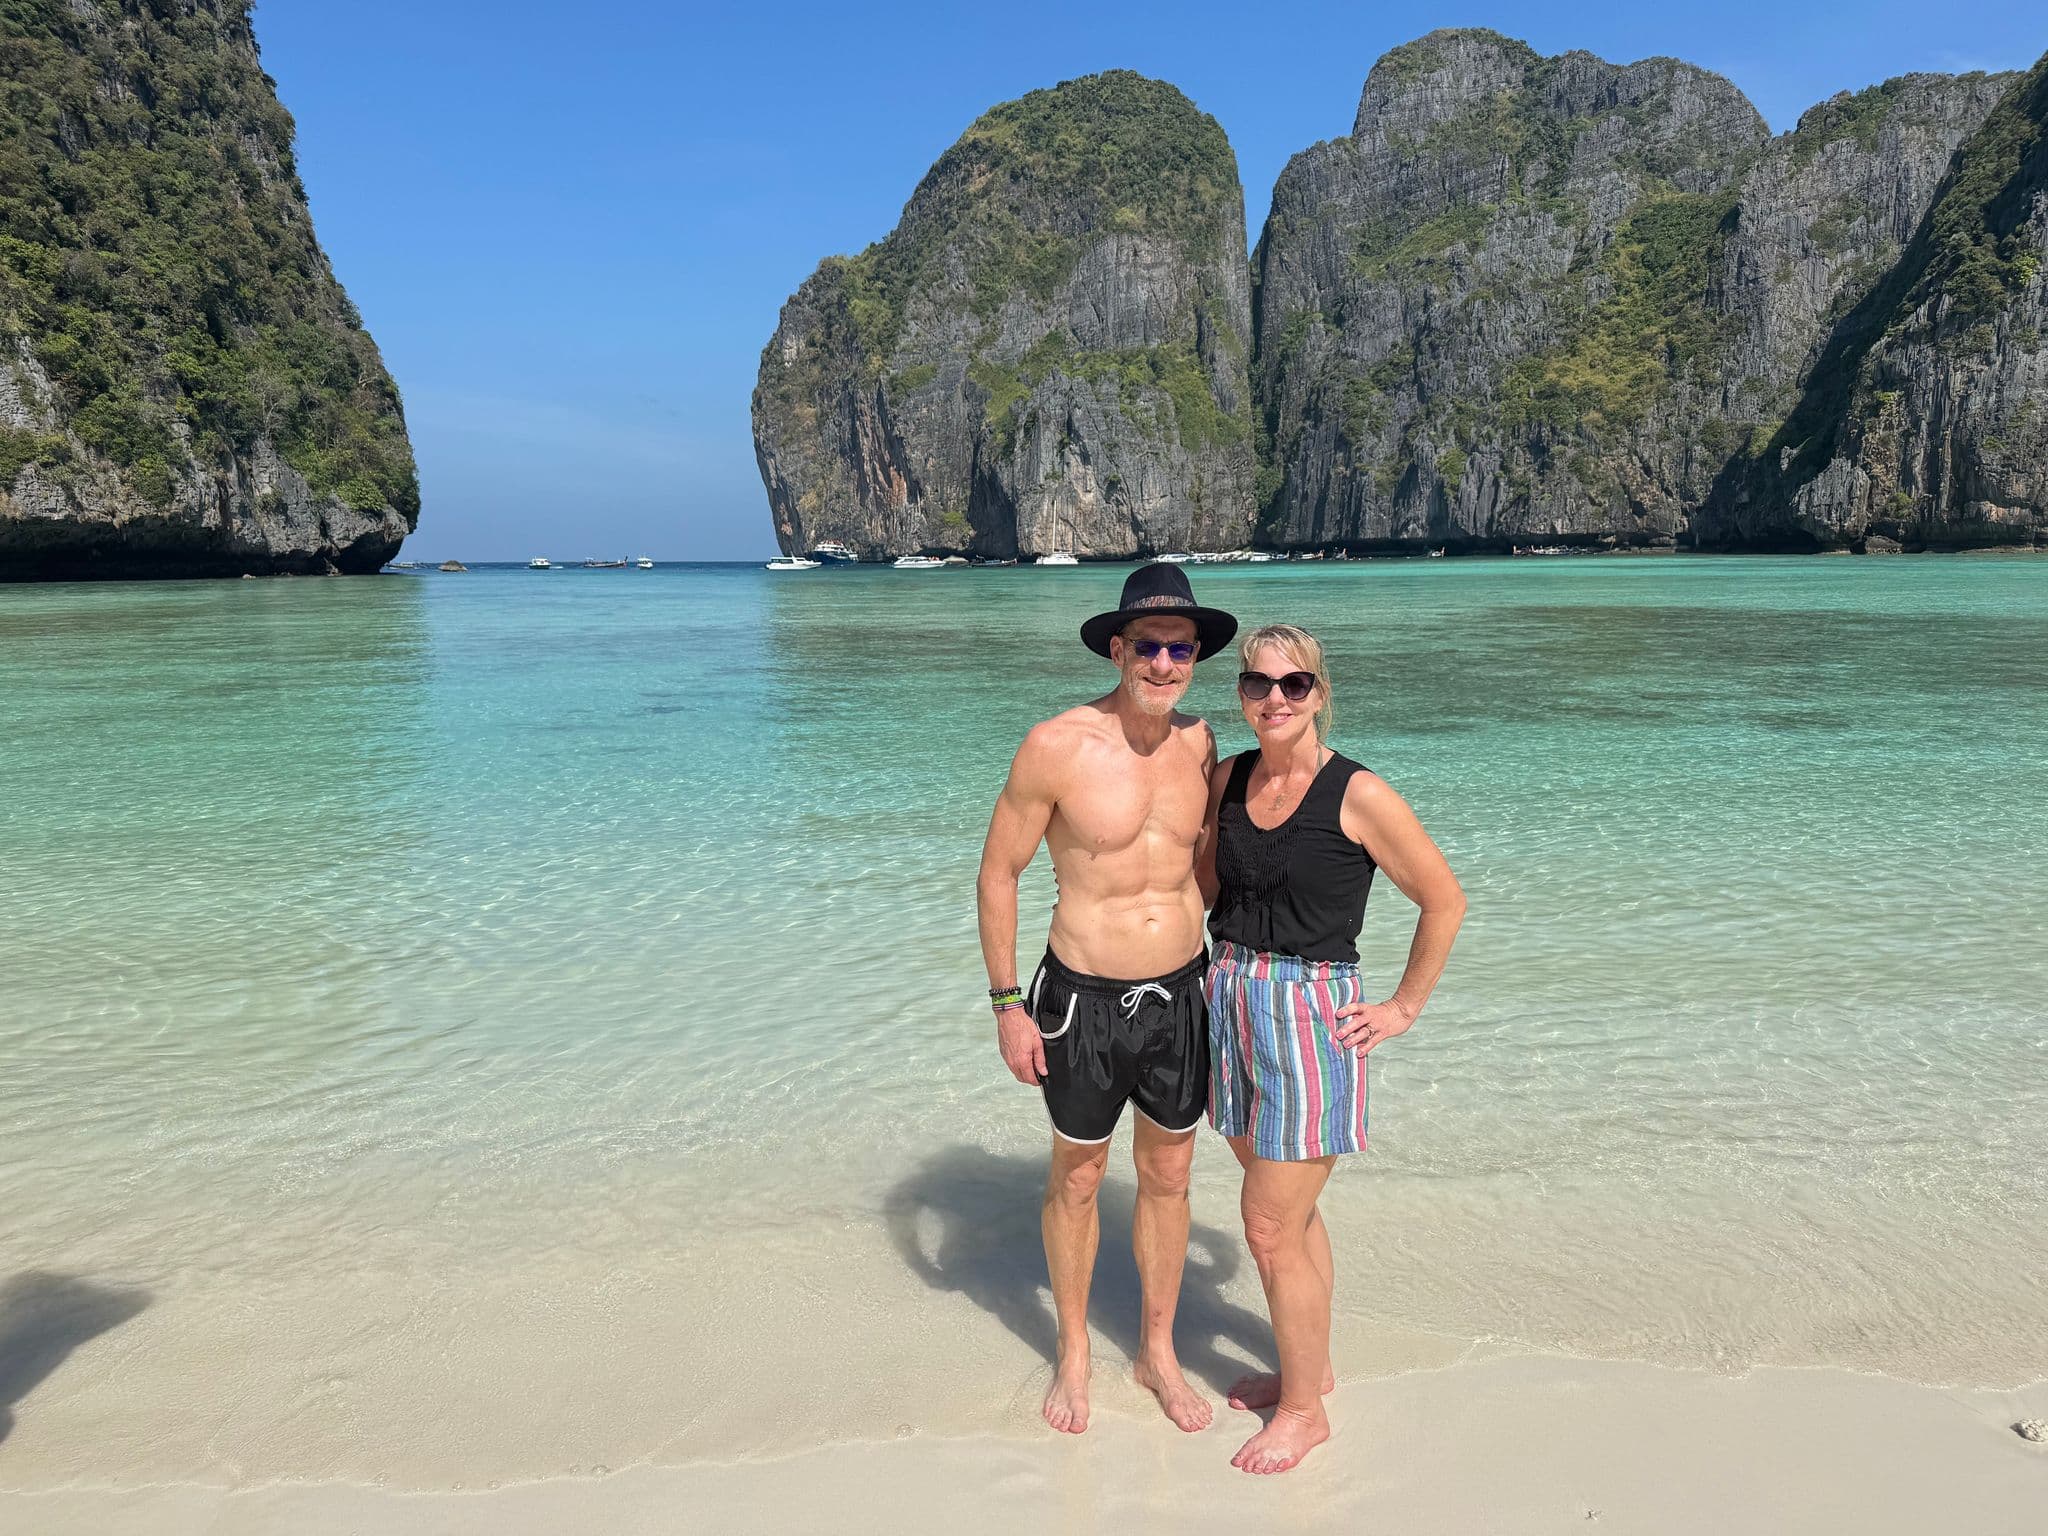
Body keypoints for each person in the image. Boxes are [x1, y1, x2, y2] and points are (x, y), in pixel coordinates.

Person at [976, 563, 1237, 1436]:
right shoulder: (1055, 745)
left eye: (1182, 649)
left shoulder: (1201, 744)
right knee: (1079, 1177)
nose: (1165, 663)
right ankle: (1074, 1355)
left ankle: (1157, 1352)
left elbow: (1206, 865)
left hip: (1181, 993)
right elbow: (999, 871)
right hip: (1079, 999)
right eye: (1150, 647)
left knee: (1169, 1176)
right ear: (1119, 649)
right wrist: (1008, 1003)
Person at [1198, 623, 1465, 1474]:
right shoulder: (1228, 779)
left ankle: (1306, 1411)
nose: (1273, 699)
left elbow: (1443, 900)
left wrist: (1403, 1007)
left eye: (1294, 685)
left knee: (1267, 1223)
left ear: (1319, 692)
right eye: (1256, 685)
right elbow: (1204, 884)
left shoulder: (1358, 793)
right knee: (1291, 1214)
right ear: (1240, 694)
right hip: (1228, 998)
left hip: (1313, 1015)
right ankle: (1308, 1368)